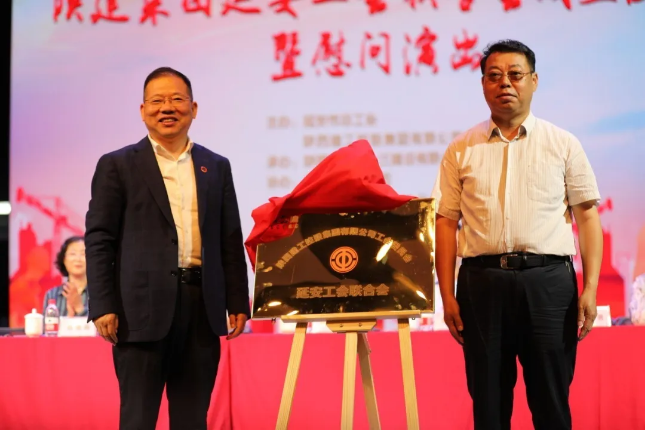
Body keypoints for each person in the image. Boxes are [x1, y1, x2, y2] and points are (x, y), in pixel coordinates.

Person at [433, 40, 603, 430]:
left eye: (515, 74)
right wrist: (447, 295)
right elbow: (445, 222)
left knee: (551, 400)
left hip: (548, 283)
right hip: (481, 284)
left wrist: (591, 288)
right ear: (483, 84)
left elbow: (587, 217)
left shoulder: (563, 143)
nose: (505, 83)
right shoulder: (461, 149)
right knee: (489, 404)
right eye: (494, 76)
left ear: (534, 81)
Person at [85, 67, 250, 430]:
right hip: (138, 313)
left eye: (177, 99)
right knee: (138, 418)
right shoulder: (117, 165)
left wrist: (238, 300)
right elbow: (99, 239)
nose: (167, 108)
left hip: (201, 308)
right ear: (143, 110)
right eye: (157, 101)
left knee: (192, 419)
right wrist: (103, 304)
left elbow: (229, 237)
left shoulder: (215, 166)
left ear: (194, 108)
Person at [42, 236, 88, 316]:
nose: (78, 259)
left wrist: (79, 308)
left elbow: (104, 323)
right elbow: (47, 323)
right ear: (64, 260)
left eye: (83, 254)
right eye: (72, 254)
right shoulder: (52, 295)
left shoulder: (100, 294)